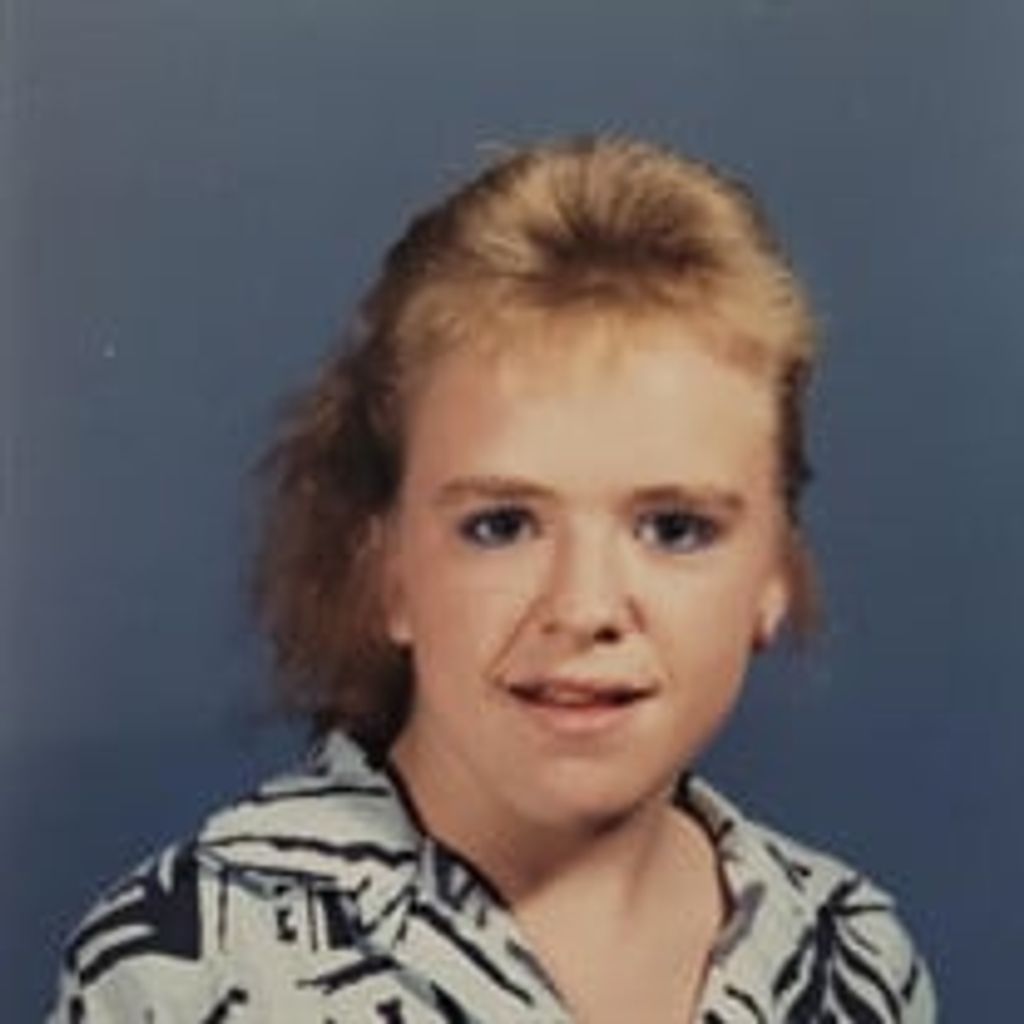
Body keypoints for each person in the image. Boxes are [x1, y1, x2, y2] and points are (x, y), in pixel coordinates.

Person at [49, 136, 936, 1022]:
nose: (584, 607)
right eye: (501, 526)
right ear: (387, 568)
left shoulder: (852, 955)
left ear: (775, 572)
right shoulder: (192, 966)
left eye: (675, 529)